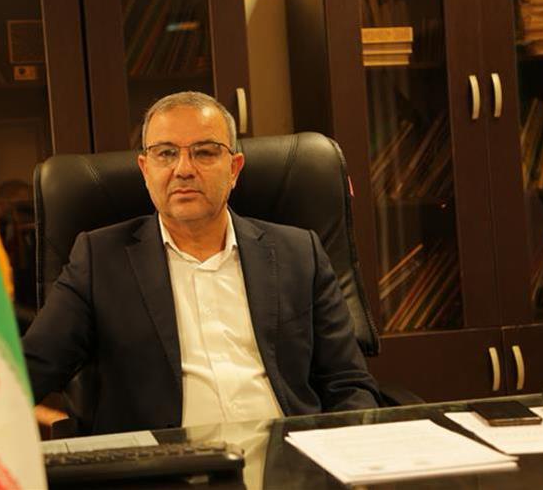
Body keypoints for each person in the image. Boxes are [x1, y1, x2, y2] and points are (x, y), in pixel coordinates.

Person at [22, 91, 380, 435]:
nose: (183, 169)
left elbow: (348, 383)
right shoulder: (99, 260)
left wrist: (344, 457)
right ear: (145, 169)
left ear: (234, 168)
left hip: (286, 456)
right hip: (166, 464)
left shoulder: (299, 253)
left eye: (205, 152)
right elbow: (32, 368)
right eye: (165, 153)